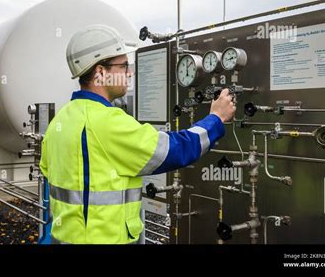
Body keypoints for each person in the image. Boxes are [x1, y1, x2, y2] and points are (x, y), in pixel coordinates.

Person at [40, 24, 235, 244]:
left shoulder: (60, 121)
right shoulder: (107, 122)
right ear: (101, 72)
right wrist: (216, 119)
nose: (129, 72)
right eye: (123, 66)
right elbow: (174, 150)